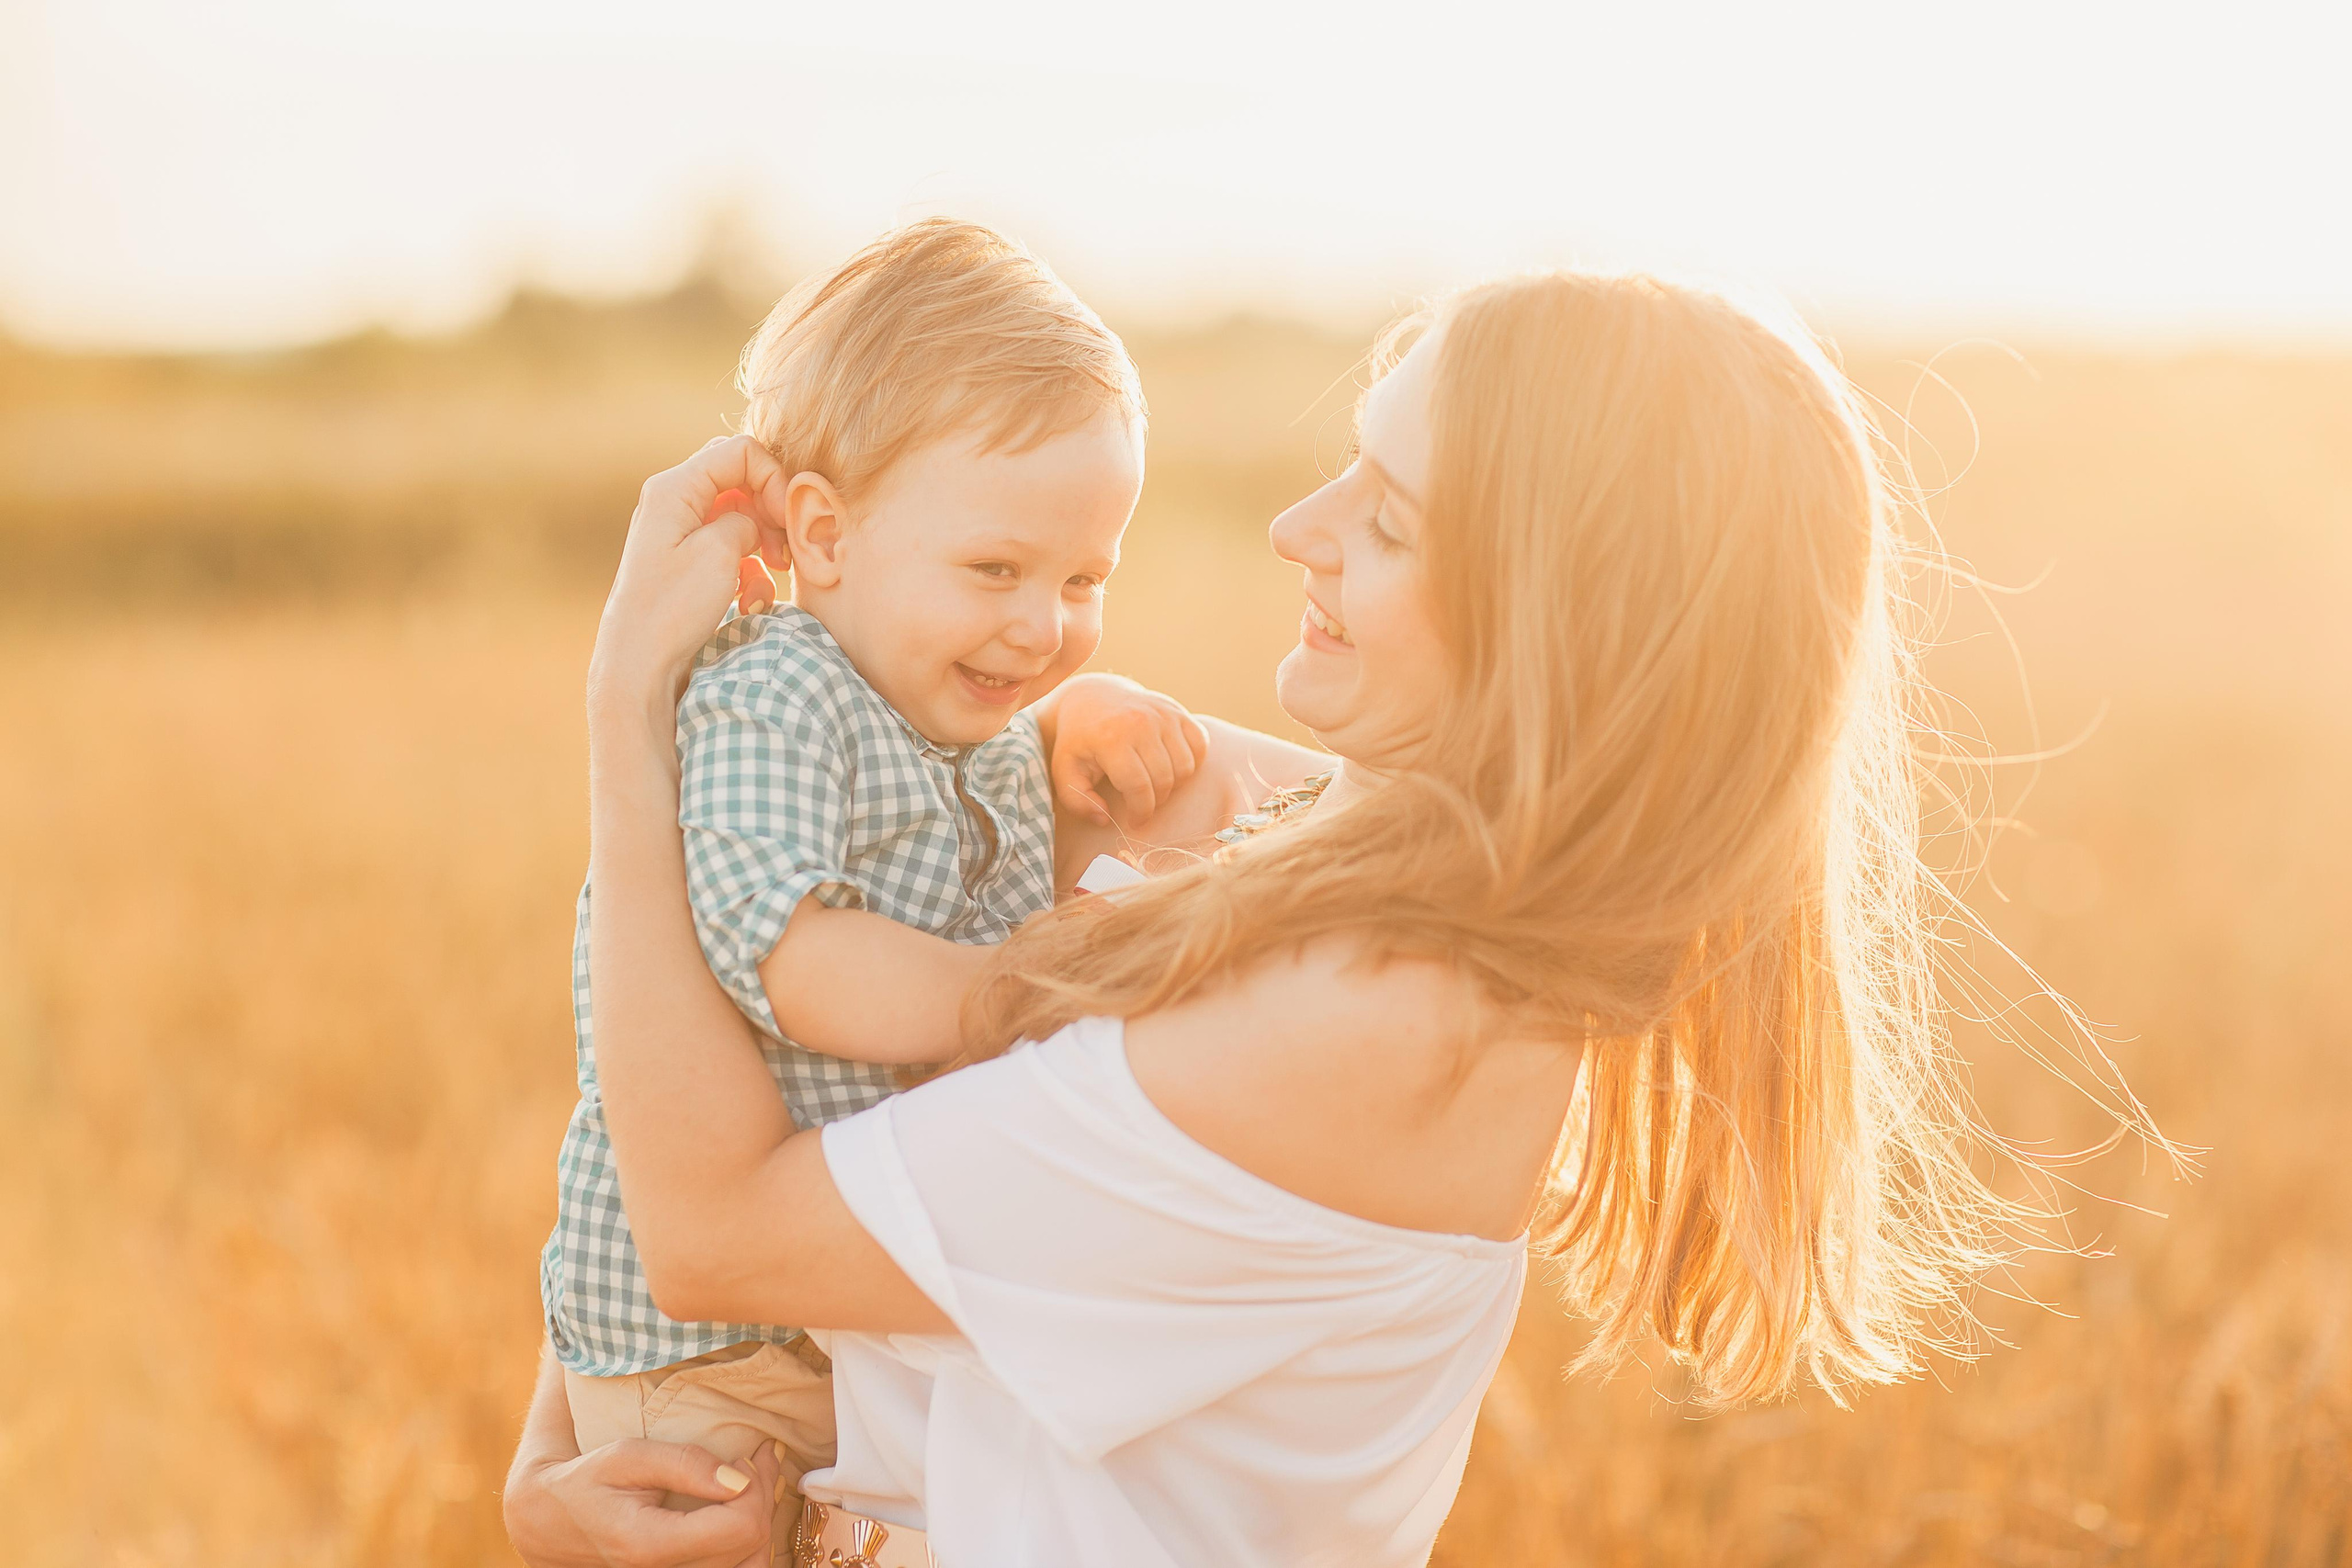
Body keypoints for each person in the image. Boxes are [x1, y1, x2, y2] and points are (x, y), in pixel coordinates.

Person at [510, 269, 2133, 1566]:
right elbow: (790, 1104)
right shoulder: (1370, 868)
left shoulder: (1371, 1016)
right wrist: (574, 1435)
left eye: (1391, 513)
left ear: (1552, 610)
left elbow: (723, 1224)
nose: (1301, 526)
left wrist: (628, 727)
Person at [538, 218, 1210, 1548]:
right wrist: (1019, 997)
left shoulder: (970, 712)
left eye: (1086, 579)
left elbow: (1001, 832)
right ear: (827, 539)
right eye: (997, 570)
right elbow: (792, 954)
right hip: (710, 1354)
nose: (1045, 625)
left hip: (840, 1310)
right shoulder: (775, 700)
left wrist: (1090, 716)